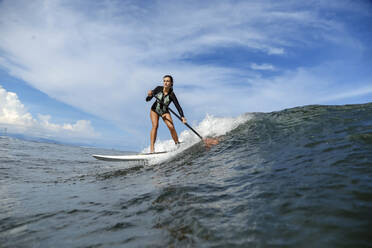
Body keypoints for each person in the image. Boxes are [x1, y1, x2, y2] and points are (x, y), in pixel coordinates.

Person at [146, 75, 187, 153]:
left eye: (168, 81)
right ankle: (152, 149)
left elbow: (178, 106)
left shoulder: (171, 94)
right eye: (164, 81)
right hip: (154, 110)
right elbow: (147, 100)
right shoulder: (158, 89)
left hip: (164, 111)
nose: (165, 82)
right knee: (155, 126)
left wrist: (182, 117)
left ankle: (177, 144)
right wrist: (149, 95)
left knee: (171, 126)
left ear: (171, 83)